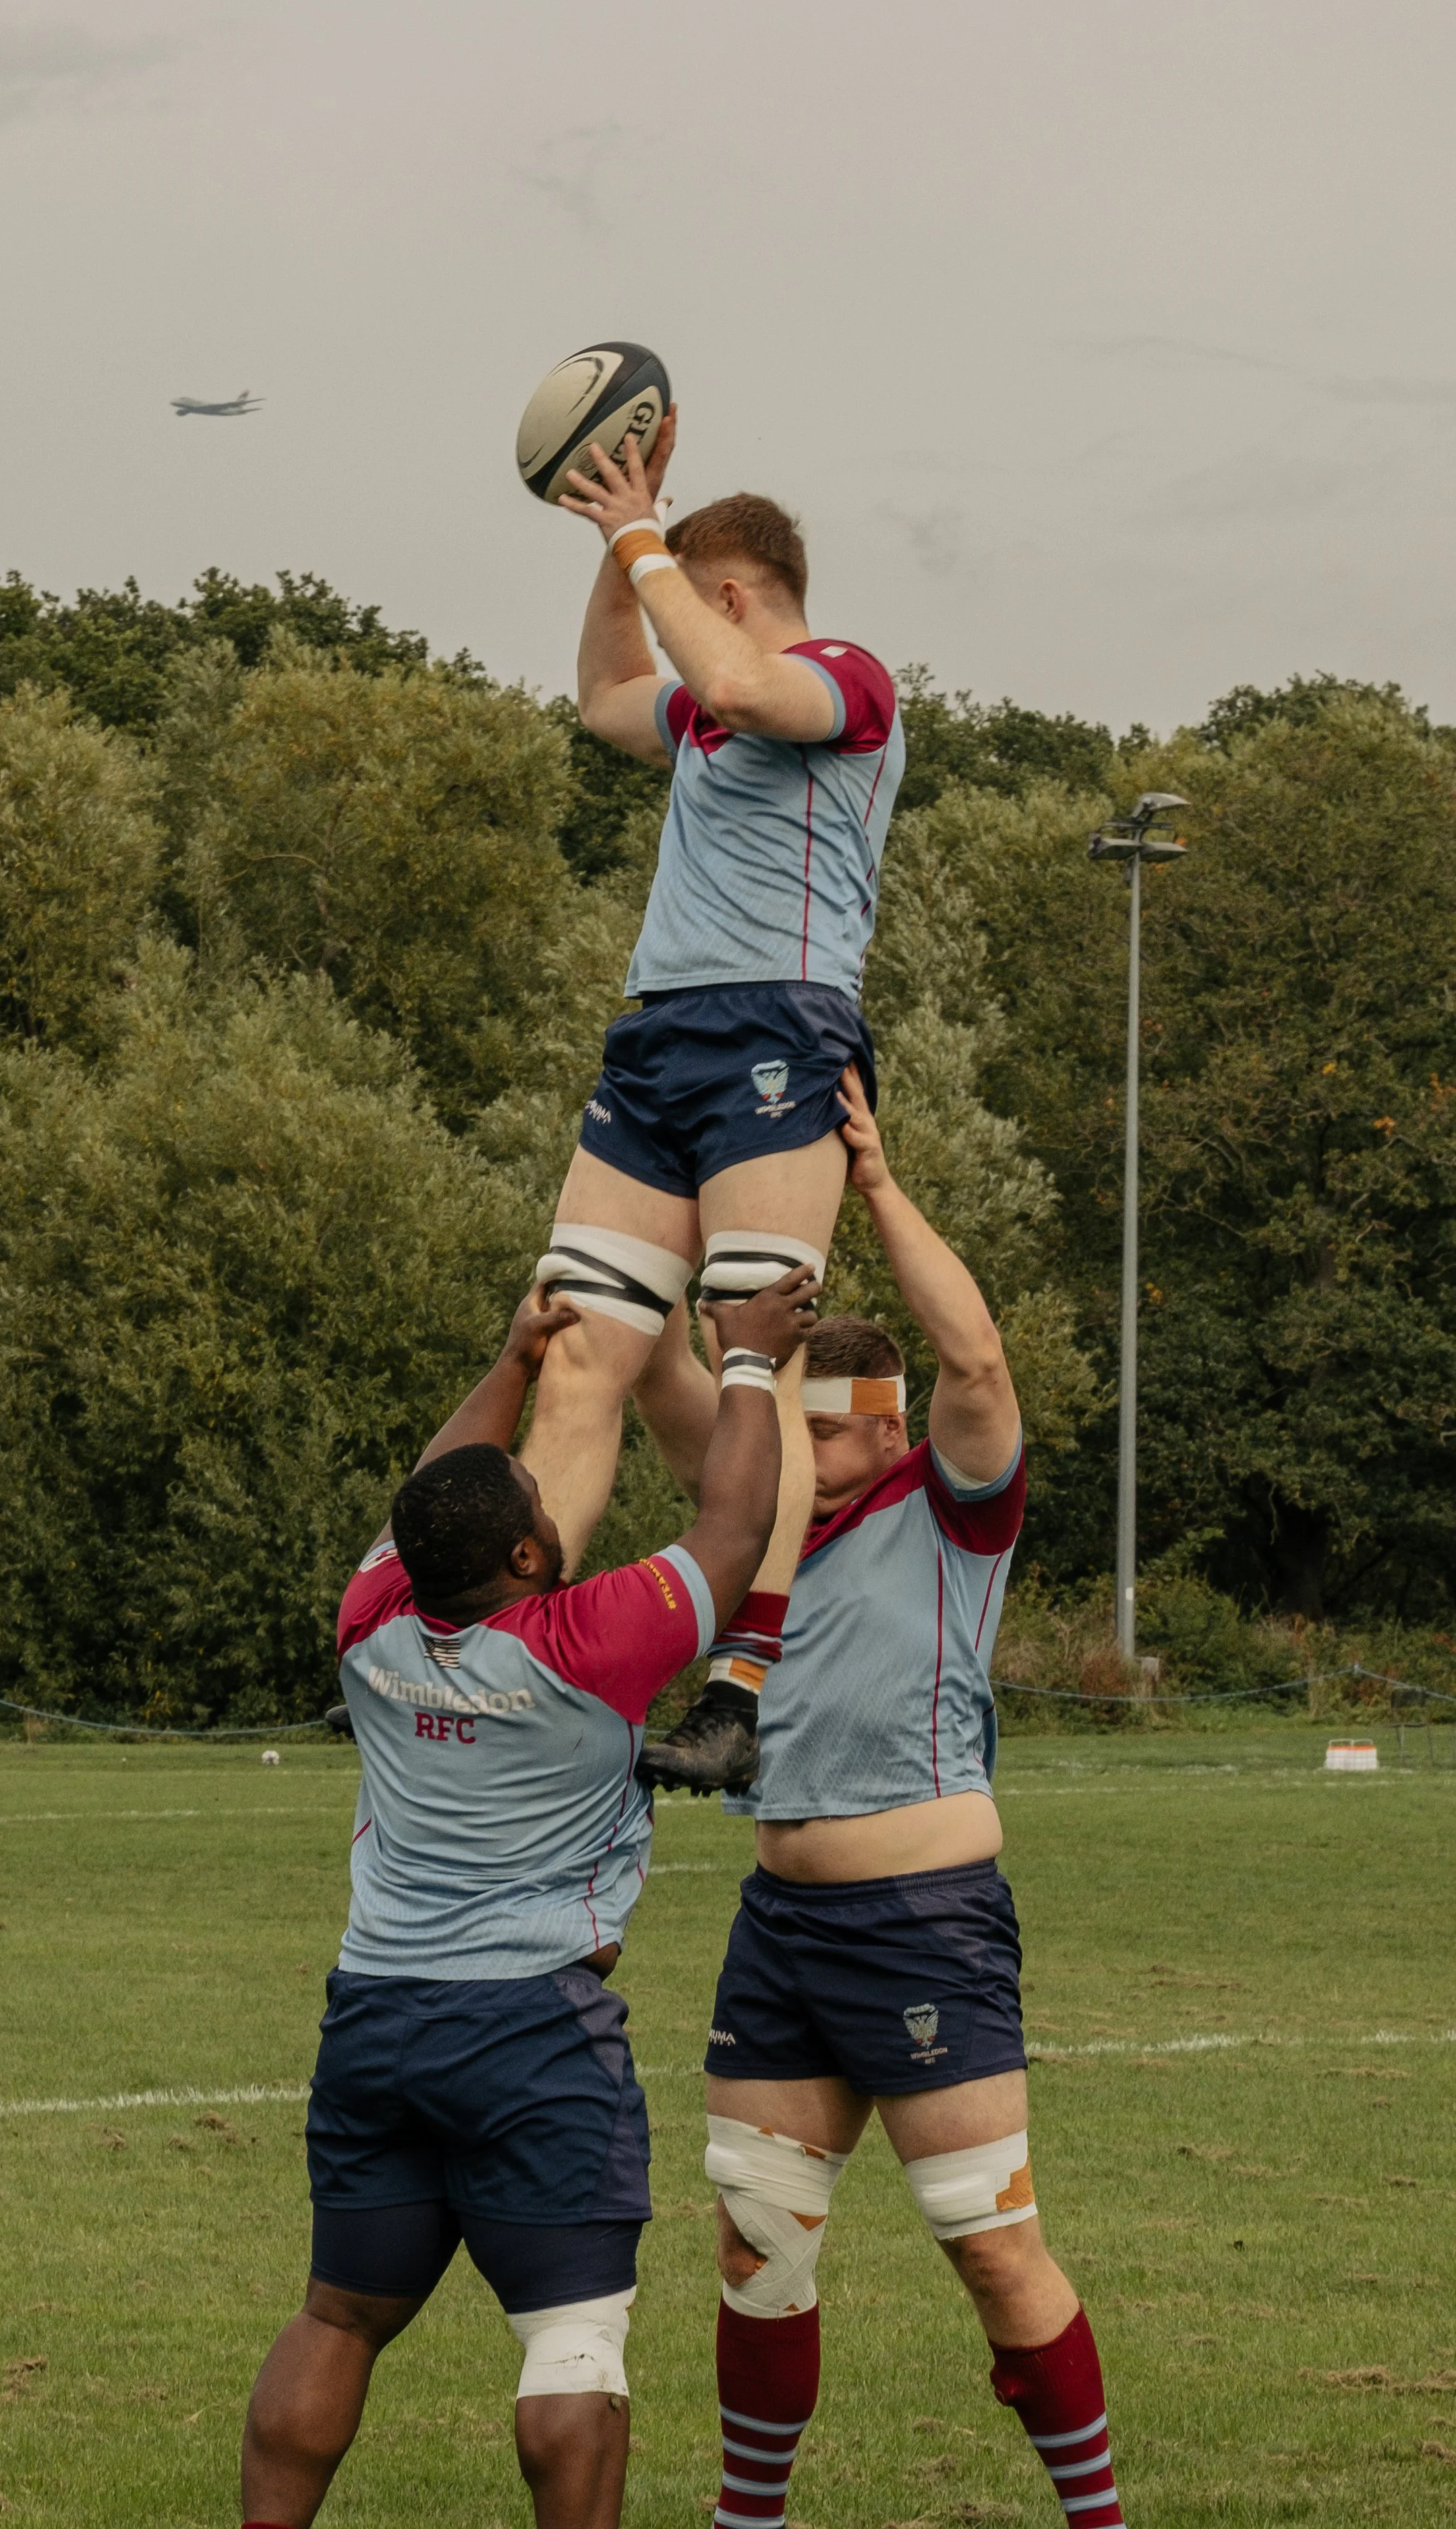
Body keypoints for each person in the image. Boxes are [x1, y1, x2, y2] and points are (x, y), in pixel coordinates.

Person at [238, 1264, 819, 2529]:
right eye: (539, 1513)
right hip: (531, 2032)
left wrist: (513, 1366)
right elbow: (733, 1528)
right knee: (573, 2352)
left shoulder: (371, 1619)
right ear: (522, 1551)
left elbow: (427, 1495)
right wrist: (749, 1359)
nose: (557, 1518)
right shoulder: (583, 1642)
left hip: (376, 2020)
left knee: (338, 2311)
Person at [631, 1066, 1126, 2529]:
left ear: (880, 1426)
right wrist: (668, 1229)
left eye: (824, 1427)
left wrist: (875, 1190)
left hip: (923, 1919)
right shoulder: (750, 1509)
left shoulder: (945, 1503)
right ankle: (747, 2523)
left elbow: (975, 1362)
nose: (797, 1450)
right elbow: (671, 1384)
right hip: (779, 1925)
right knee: (754, 2245)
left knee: (986, 2244)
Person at [519, 409, 905, 1789]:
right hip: (655, 1043)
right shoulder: (694, 700)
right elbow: (605, 695)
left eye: (686, 593)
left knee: (758, 1360)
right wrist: (621, 544)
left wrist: (644, 541)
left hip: (775, 1031)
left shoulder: (842, 681)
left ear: (728, 596)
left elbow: (743, 690)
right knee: (577, 1351)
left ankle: (735, 1695)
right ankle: (520, 1666)